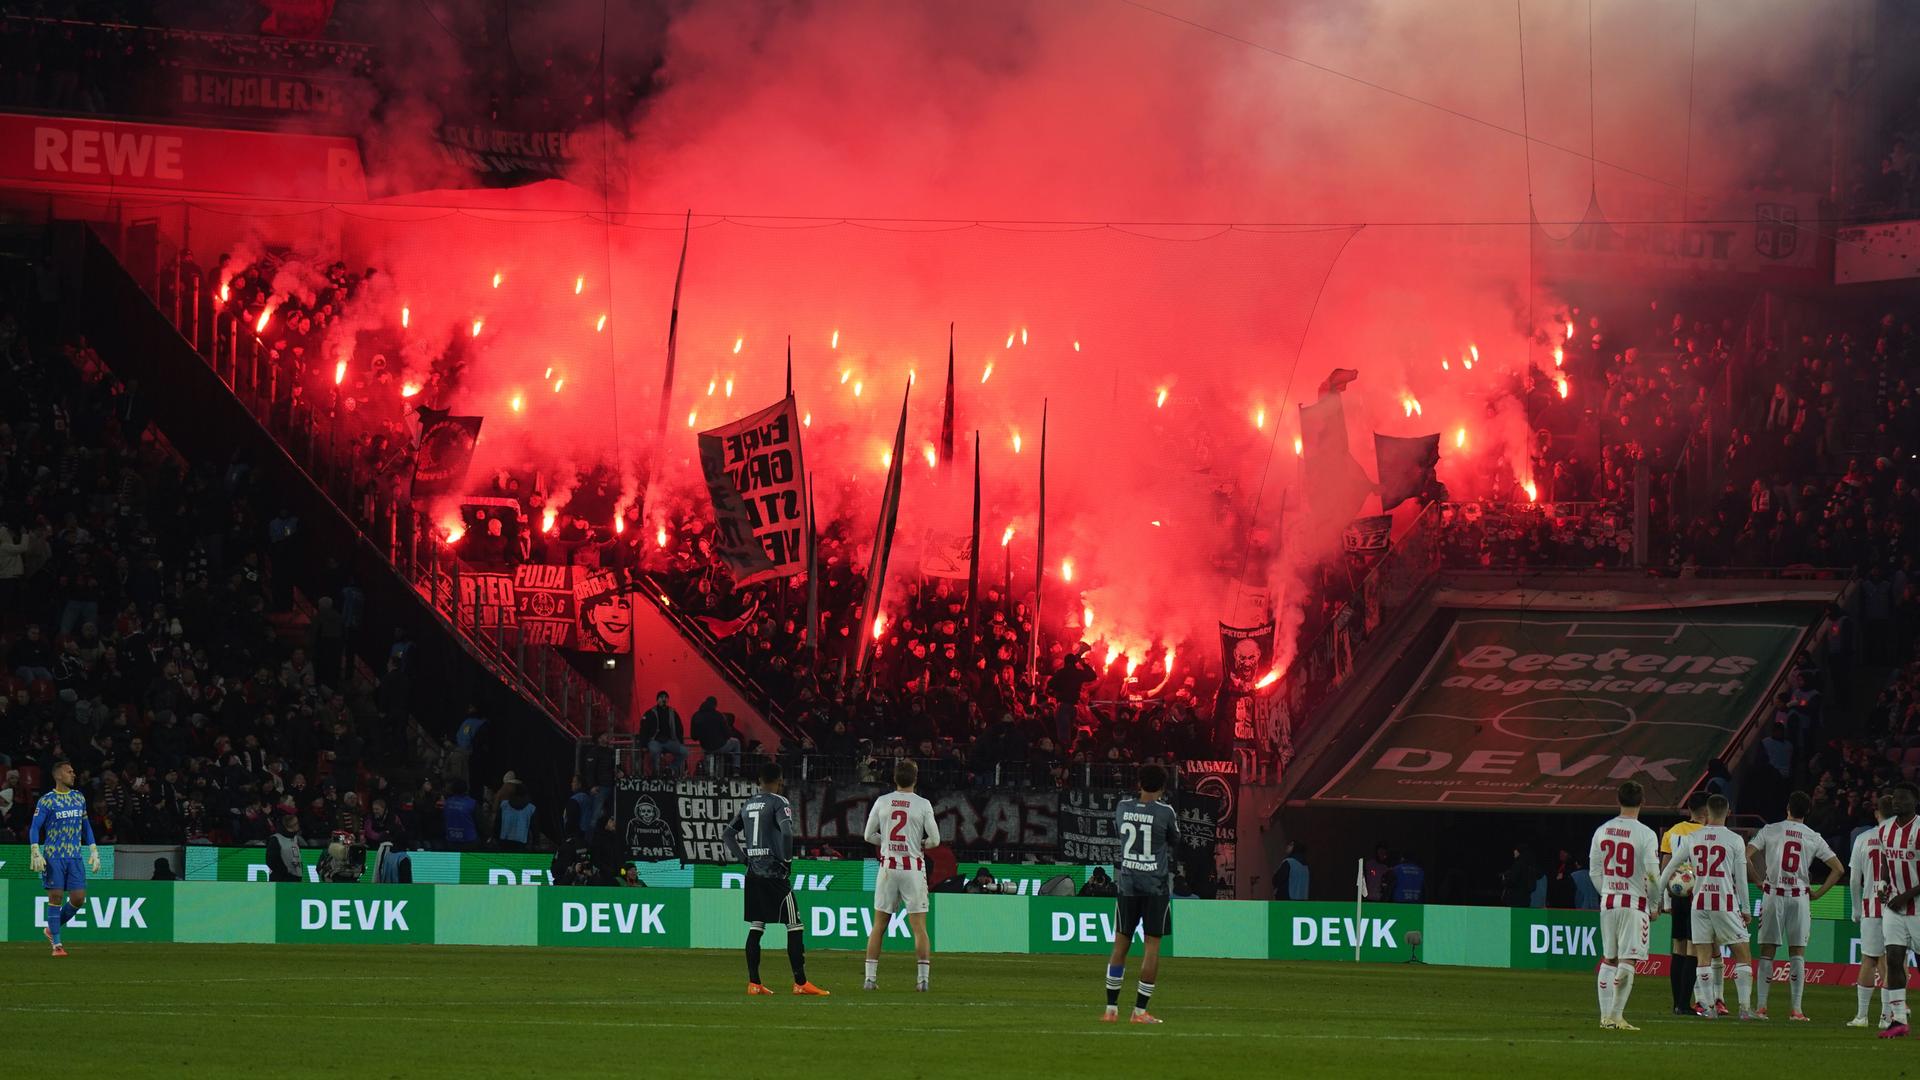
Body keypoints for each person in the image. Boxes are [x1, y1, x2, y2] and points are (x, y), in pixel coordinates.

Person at [723, 762, 828, 996]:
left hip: (753, 874)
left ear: (759, 781)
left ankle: (754, 983)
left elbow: (728, 834)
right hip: (774, 874)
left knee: (756, 926)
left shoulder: (749, 804)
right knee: (795, 924)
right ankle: (800, 983)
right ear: (779, 781)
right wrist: (787, 861)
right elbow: (788, 832)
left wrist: (744, 859)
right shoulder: (779, 802)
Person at [1656, 794, 1756, 1020]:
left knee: (1702, 957)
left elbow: (1669, 869)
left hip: (1699, 904)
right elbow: (1740, 878)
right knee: (1743, 955)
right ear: (1727, 813)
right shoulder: (1734, 840)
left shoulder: (1694, 837)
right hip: (1725, 902)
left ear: (1708, 813)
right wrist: (1747, 909)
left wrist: (1658, 899)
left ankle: (1708, 1007)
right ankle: (1744, 1009)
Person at [1746, 790, 1843, 1020]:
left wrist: (1758, 879)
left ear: (1787, 807)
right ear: (1808, 811)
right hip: (1799, 897)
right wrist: (1818, 893)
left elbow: (1745, 855)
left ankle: (1761, 1007)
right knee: (1797, 952)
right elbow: (1838, 869)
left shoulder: (1771, 830)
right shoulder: (1813, 836)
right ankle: (1796, 1010)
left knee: (1767, 951)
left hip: (1773, 894)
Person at [1103, 762, 1177, 1024]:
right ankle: (1139, 1012)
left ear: (1139, 783)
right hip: (1155, 886)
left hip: (1128, 884)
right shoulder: (1166, 811)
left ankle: (1111, 1010)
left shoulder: (1122, 807)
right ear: (1163, 786)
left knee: (1120, 945)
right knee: (1151, 948)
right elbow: (1174, 840)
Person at [862, 760, 940, 992]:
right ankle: (923, 980)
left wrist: (886, 842)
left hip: (888, 868)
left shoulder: (882, 801)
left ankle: (870, 979)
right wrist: (920, 843)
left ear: (895, 779)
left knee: (879, 926)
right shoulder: (923, 804)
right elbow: (935, 841)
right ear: (916, 779)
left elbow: (868, 835)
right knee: (919, 927)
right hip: (913, 869)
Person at [1587, 780, 1659, 1031]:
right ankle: (1616, 1016)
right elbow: (1652, 874)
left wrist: (1607, 893)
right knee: (1628, 959)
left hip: (1608, 903)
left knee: (1609, 958)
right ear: (1642, 802)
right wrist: (1655, 902)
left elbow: (1594, 871)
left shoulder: (1602, 830)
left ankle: (1605, 1017)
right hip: (1633, 904)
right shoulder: (1646, 834)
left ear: (1618, 800)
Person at [28, 759, 102, 958]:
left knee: (78, 899)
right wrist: (35, 849)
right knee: (56, 897)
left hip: (75, 856)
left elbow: (86, 826)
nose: (74, 774)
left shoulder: (79, 798)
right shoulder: (47, 800)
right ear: (58, 775)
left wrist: (93, 848)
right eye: (70, 771)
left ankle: (51, 928)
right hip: (54, 856)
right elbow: (35, 827)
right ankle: (57, 945)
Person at [1658, 793, 1710, 1015]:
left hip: (1677, 894)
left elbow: (1665, 866)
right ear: (1706, 810)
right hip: (1696, 895)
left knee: (1677, 947)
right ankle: (1684, 1004)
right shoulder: (1706, 833)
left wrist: (1664, 898)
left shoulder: (1672, 832)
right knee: (1693, 948)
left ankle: (1676, 1004)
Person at [1877, 781, 1920, 1037]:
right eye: (1895, 798)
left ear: (1915, 802)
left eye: (1902, 798)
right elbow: (1885, 859)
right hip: (1894, 907)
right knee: (1893, 958)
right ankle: (1899, 1019)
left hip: (1916, 907)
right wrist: (1883, 883)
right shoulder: (1885, 829)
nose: (1896, 802)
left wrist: (1905, 896)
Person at [1848, 795, 1893, 1028]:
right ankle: (1886, 1017)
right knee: (1892, 961)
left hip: (1871, 907)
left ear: (1877, 813)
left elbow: (1854, 880)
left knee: (1869, 959)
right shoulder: (1903, 839)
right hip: (1898, 909)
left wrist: (1856, 909)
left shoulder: (1864, 838)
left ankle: (1861, 1016)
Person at [639, 691, 690, 777]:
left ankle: (670, 769)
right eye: (661, 697)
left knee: (685, 752)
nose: (663, 699)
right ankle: (656, 773)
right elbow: (643, 729)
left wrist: (680, 742)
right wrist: (643, 744)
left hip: (669, 741)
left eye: (665, 697)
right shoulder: (650, 713)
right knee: (655, 751)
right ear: (657, 700)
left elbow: (679, 729)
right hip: (655, 740)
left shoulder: (673, 713)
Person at [691, 696, 742, 777]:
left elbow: (694, 736)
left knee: (708, 753)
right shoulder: (718, 715)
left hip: (705, 747)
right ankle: (736, 771)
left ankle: (708, 774)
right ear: (715, 705)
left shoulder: (696, 716)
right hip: (719, 746)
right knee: (736, 743)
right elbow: (727, 734)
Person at [265, 813, 304, 882]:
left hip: (295, 877)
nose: (299, 825)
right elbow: (271, 861)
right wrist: (285, 871)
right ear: (291, 825)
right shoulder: (276, 839)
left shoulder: (295, 838)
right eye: (296, 823)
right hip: (282, 879)